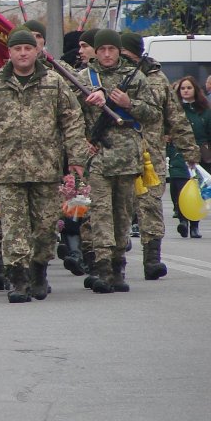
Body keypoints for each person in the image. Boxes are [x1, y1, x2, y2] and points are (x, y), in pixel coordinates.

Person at [0, 29, 88, 302]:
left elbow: (72, 122)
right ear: (9, 53)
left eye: (27, 49)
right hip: (8, 170)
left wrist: (77, 160)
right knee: (13, 227)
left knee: (45, 227)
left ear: (36, 51)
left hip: (46, 169)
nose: (23, 53)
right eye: (17, 49)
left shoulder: (54, 83)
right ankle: (18, 279)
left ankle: (39, 271)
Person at [78, 29, 158, 293]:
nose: (107, 54)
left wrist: (129, 103)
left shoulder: (135, 77)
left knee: (122, 214)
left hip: (127, 158)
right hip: (99, 157)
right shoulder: (83, 79)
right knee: (101, 213)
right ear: (96, 52)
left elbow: (153, 114)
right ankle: (102, 268)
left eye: (112, 49)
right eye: (102, 50)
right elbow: (69, 114)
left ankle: (118, 266)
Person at [120, 32, 199, 277]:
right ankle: (113, 262)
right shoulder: (115, 77)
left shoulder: (157, 79)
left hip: (150, 156)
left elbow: (175, 117)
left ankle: (152, 258)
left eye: (125, 53)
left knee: (150, 206)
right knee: (119, 208)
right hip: (119, 154)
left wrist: (190, 150)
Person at [169, 76, 211, 239]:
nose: (185, 91)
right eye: (182, 88)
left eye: (188, 88)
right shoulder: (174, 110)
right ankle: (182, 220)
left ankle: (195, 225)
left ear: (195, 90)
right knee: (179, 187)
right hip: (179, 153)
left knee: (198, 189)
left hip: (201, 154)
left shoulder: (205, 111)